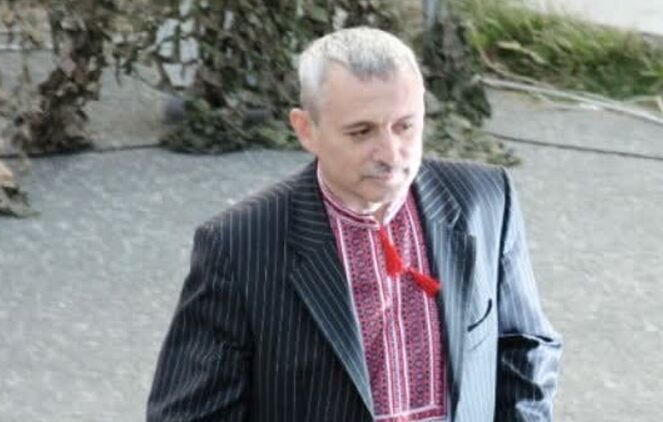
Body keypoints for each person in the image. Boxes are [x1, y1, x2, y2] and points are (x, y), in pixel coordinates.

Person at [147, 27, 562, 422]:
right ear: (306, 130)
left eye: (405, 126)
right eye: (362, 132)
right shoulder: (240, 245)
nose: (391, 153)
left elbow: (525, 346)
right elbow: (191, 413)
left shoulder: (485, 201)